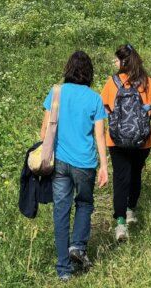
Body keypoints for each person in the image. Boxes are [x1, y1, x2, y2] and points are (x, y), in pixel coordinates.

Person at [41, 51, 109, 281]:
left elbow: (45, 131)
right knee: (85, 204)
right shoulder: (95, 99)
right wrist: (104, 166)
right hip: (85, 163)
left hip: (59, 162)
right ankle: (77, 246)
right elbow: (100, 135)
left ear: (68, 69)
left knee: (61, 212)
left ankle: (63, 270)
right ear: (89, 73)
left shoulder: (57, 92)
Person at [101, 43, 151, 243]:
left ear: (122, 62)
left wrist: (115, 118)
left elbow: (103, 108)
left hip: (116, 140)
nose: (115, 62)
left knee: (121, 178)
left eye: (116, 59)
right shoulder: (147, 81)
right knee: (135, 174)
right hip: (142, 140)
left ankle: (120, 224)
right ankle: (130, 211)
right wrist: (146, 118)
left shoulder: (112, 83)